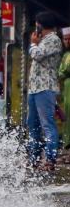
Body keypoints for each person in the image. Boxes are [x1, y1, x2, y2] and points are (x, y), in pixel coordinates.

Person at [27, 11, 64, 171]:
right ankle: (33, 159)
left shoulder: (53, 39)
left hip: (45, 88)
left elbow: (38, 55)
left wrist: (33, 44)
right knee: (32, 125)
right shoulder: (43, 40)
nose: (36, 26)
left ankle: (50, 160)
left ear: (41, 24)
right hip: (34, 89)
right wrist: (36, 43)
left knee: (47, 125)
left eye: (37, 23)